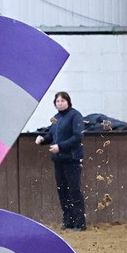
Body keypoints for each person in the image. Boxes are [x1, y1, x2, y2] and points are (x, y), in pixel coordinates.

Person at [35, 91, 86, 231]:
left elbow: (77, 137)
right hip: (58, 160)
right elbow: (51, 133)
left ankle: (80, 222)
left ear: (68, 102)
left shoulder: (76, 116)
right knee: (62, 191)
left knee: (74, 190)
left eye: (63, 101)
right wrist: (43, 139)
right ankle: (68, 221)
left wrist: (60, 147)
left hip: (72, 159)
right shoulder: (55, 118)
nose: (60, 103)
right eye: (57, 101)